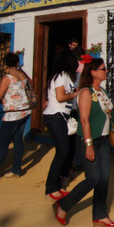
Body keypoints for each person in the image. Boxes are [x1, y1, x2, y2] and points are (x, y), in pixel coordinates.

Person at [54, 58, 114, 227]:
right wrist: (89, 145)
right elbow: (84, 120)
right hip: (89, 140)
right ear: (93, 72)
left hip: (103, 140)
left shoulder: (102, 91)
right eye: (103, 69)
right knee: (93, 179)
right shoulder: (85, 93)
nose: (106, 71)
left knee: (104, 179)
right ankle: (63, 205)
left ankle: (100, 215)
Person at [0, 53, 33, 181]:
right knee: (18, 141)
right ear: (17, 63)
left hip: (12, 114)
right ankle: (16, 169)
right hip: (25, 111)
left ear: (5, 64)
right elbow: (31, 85)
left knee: (3, 143)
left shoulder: (7, 78)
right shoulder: (23, 75)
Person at [43, 50, 81, 202]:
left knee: (64, 151)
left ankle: (57, 185)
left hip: (59, 115)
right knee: (63, 151)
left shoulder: (62, 76)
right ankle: (50, 188)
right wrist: (75, 94)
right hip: (56, 115)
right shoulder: (62, 76)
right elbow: (60, 97)